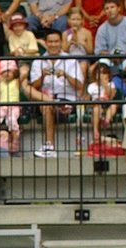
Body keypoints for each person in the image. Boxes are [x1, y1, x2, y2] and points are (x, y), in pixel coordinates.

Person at [28, 29, 84, 157]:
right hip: (45, 99)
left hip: (67, 99)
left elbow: (80, 86)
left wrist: (66, 75)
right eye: (50, 42)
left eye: (56, 42)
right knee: (46, 104)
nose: (53, 45)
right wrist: (42, 76)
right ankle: (50, 147)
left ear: (60, 43)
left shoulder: (71, 61)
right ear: (46, 43)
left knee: (48, 105)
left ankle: (49, 146)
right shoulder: (38, 62)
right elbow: (34, 87)